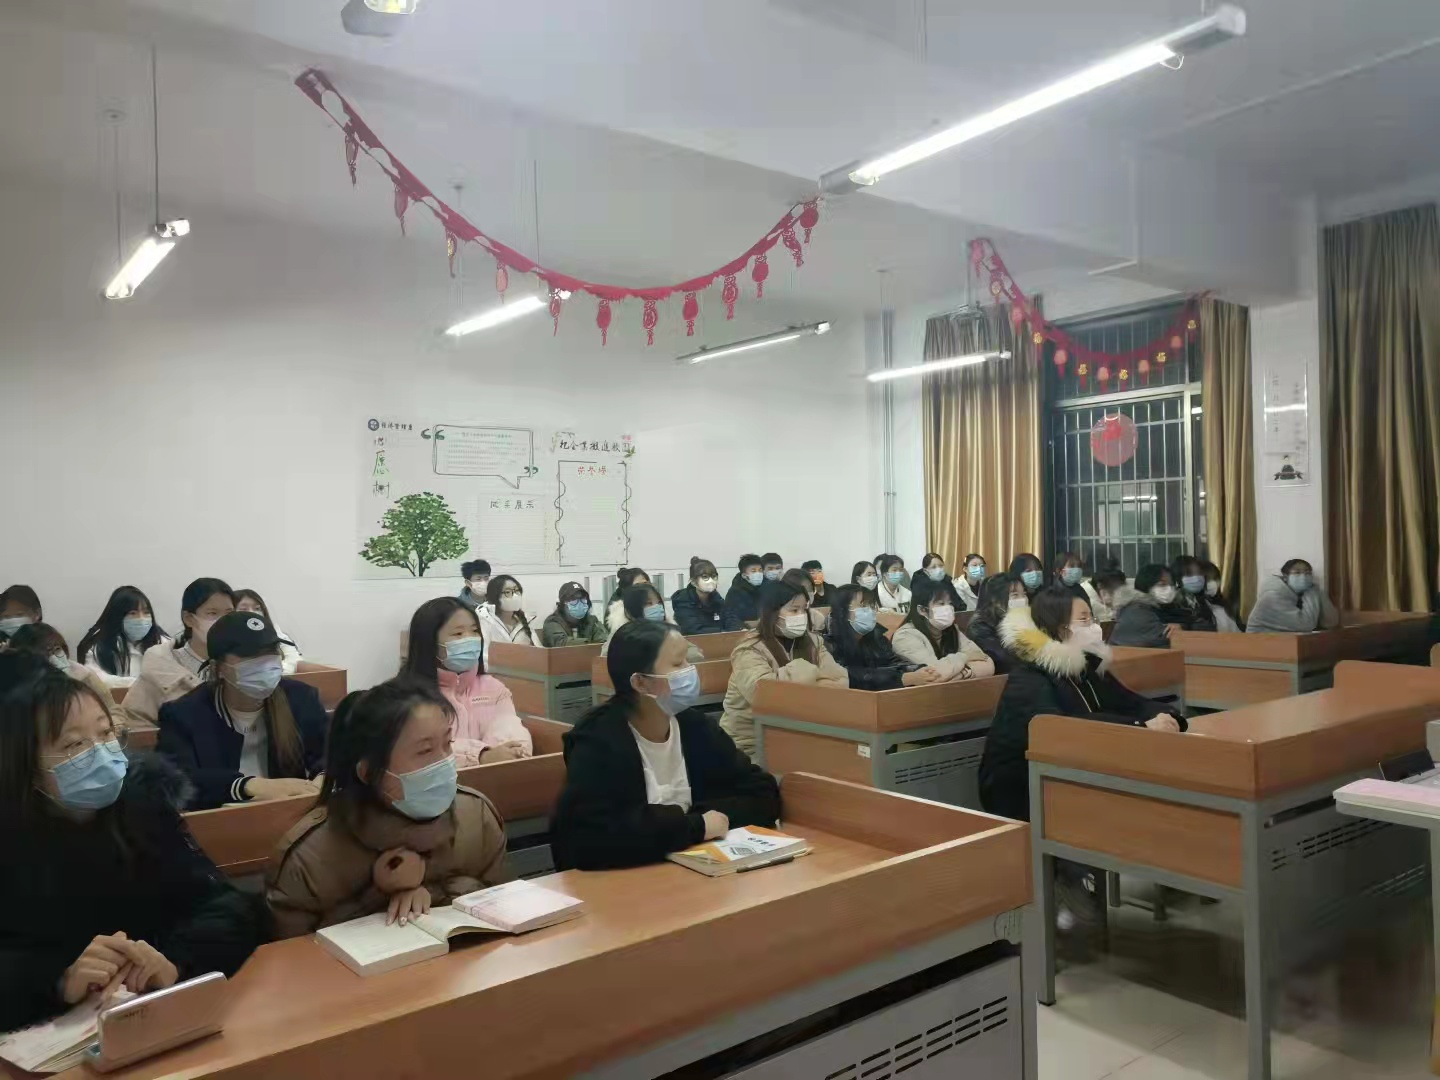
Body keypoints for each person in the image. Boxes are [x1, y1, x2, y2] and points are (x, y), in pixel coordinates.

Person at [0, 651, 264, 1031]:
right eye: (74, 745)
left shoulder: (145, 809)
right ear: (27, 767)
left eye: (106, 733)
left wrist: (175, 962)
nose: (99, 753)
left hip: (156, 1017)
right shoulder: (13, 841)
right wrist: (57, 980)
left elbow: (228, 908)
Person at [266, 678, 510, 937]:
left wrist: (432, 893)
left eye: (448, 743)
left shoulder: (475, 815)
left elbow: (502, 915)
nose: (445, 762)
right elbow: (292, 954)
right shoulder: (309, 856)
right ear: (369, 772)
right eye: (425, 751)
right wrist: (381, 897)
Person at [551, 620, 781, 870]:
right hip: (620, 880)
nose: (690, 670)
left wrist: (696, 820)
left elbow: (763, 793)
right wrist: (696, 825)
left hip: (693, 870)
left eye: (688, 660)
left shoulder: (696, 727)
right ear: (640, 682)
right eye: (678, 664)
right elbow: (594, 838)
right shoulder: (598, 739)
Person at [980, 586, 1185, 820]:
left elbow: (1129, 701)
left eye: (1093, 619)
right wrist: (1140, 726)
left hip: (1077, 770)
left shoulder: (1088, 666)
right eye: (1084, 620)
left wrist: (1169, 716)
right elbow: (1062, 730)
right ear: (1059, 629)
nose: (1094, 627)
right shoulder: (1029, 677)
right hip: (1023, 788)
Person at [156, 611, 326, 810]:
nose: (265, 663)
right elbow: (176, 779)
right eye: (250, 655)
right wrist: (247, 786)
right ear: (218, 667)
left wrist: (324, 778)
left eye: (271, 651)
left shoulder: (301, 698)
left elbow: (331, 752)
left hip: (291, 813)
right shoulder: (184, 714)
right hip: (221, 820)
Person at [720, 579, 847, 757]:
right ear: (772, 612)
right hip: (751, 745)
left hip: (802, 738)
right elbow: (764, 694)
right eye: (794, 610)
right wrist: (808, 673)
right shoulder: (750, 649)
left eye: (804, 609)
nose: (801, 615)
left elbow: (840, 682)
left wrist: (799, 684)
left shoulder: (814, 642)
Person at [403, 597, 531, 767]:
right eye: (458, 634)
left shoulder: (494, 688)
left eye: (475, 631)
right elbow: (423, 753)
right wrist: (481, 756)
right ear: (429, 642)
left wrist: (507, 755)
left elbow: (512, 733)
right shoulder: (406, 696)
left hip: (497, 779)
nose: (470, 639)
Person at [123, 578, 235, 730]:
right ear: (189, 618)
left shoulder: (242, 661)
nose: (223, 621)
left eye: (229, 613)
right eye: (212, 613)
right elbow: (136, 726)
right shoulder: (161, 668)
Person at [824, 585, 940, 690]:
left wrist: (918, 669)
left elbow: (894, 661)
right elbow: (849, 676)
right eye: (863, 605)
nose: (870, 610)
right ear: (842, 612)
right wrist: (902, 678)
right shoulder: (829, 644)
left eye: (871, 605)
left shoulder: (876, 637)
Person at [7, 623, 121, 719]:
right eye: (45, 654)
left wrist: (110, 730)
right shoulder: (15, 691)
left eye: (57, 649)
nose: (54, 659)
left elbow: (113, 710)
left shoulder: (85, 676)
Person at [892, 577, 996, 682]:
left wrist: (961, 674)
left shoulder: (952, 630)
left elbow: (987, 663)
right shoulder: (904, 637)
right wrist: (963, 657)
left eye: (950, 603)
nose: (948, 608)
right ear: (922, 610)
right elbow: (933, 675)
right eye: (941, 604)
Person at [76, 586, 169, 689]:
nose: (141, 618)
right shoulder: (100, 648)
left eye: (146, 612)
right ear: (118, 617)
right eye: (133, 613)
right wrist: (137, 684)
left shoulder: (164, 643)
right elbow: (94, 679)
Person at [605, 585, 703, 662]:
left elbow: (694, 654)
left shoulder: (669, 631)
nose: (657, 607)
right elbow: (607, 658)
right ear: (632, 609)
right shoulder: (621, 635)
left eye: (659, 603)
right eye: (648, 603)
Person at [1108, 564, 1196, 649]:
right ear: (1145, 585)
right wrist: (1184, 630)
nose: (1169, 588)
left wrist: (1183, 627)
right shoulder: (1135, 610)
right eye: (1162, 584)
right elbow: (1165, 640)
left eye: (1171, 584)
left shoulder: (1172, 608)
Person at [1246, 559, 1340, 634]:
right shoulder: (1272, 596)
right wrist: (1312, 592)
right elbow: (1305, 625)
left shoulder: (1303, 594)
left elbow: (1331, 622)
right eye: (1297, 572)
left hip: (1285, 643)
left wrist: (1319, 592)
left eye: (1308, 573)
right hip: (1258, 644)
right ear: (1285, 577)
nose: (1303, 576)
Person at [234, 589, 305, 674]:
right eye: (243, 609)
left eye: (257, 608)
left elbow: (295, 660)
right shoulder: (229, 638)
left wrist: (280, 671)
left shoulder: (275, 632)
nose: (252, 612)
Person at [967, 574, 1028, 673]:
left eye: (1024, 594)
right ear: (995, 600)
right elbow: (1003, 660)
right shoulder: (979, 626)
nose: (1023, 599)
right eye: (1015, 595)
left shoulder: (1022, 619)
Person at [477, 574, 542, 648]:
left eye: (517, 590)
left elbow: (539, 650)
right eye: (507, 592)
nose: (515, 596)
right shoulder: (484, 620)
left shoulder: (524, 619)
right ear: (495, 596)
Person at [671, 558, 727, 636]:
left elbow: (730, 617)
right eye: (705, 577)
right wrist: (722, 632)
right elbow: (692, 629)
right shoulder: (683, 600)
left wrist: (733, 630)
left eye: (714, 576)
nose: (711, 581)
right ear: (694, 582)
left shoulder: (716, 597)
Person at [541, 582, 608, 646]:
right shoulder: (552, 622)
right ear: (563, 604)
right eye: (573, 600)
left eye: (583, 599)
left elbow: (605, 642)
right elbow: (562, 644)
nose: (580, 604)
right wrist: (589, 643)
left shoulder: (592, 621)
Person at [1170, 555, 1218, 633]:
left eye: (1199, 573)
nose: (1196, 578)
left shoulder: (1203, 602)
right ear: (1178, 579)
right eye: (1189, 574)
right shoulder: (1172, 603)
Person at [723, 554, 765, 632]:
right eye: (753, 571)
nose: (758, 573)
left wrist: (761, 622)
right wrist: (743, 627)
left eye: (760, 570)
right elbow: (730, 617)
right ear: (744, 575)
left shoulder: (767, 588)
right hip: (745, 632)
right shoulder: (735, 592)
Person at [1200, 560, 1242, 632]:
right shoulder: (1198, 609)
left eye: (1216, 579)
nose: (1214, 583)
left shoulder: (1225, 607)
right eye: (1208, 579)